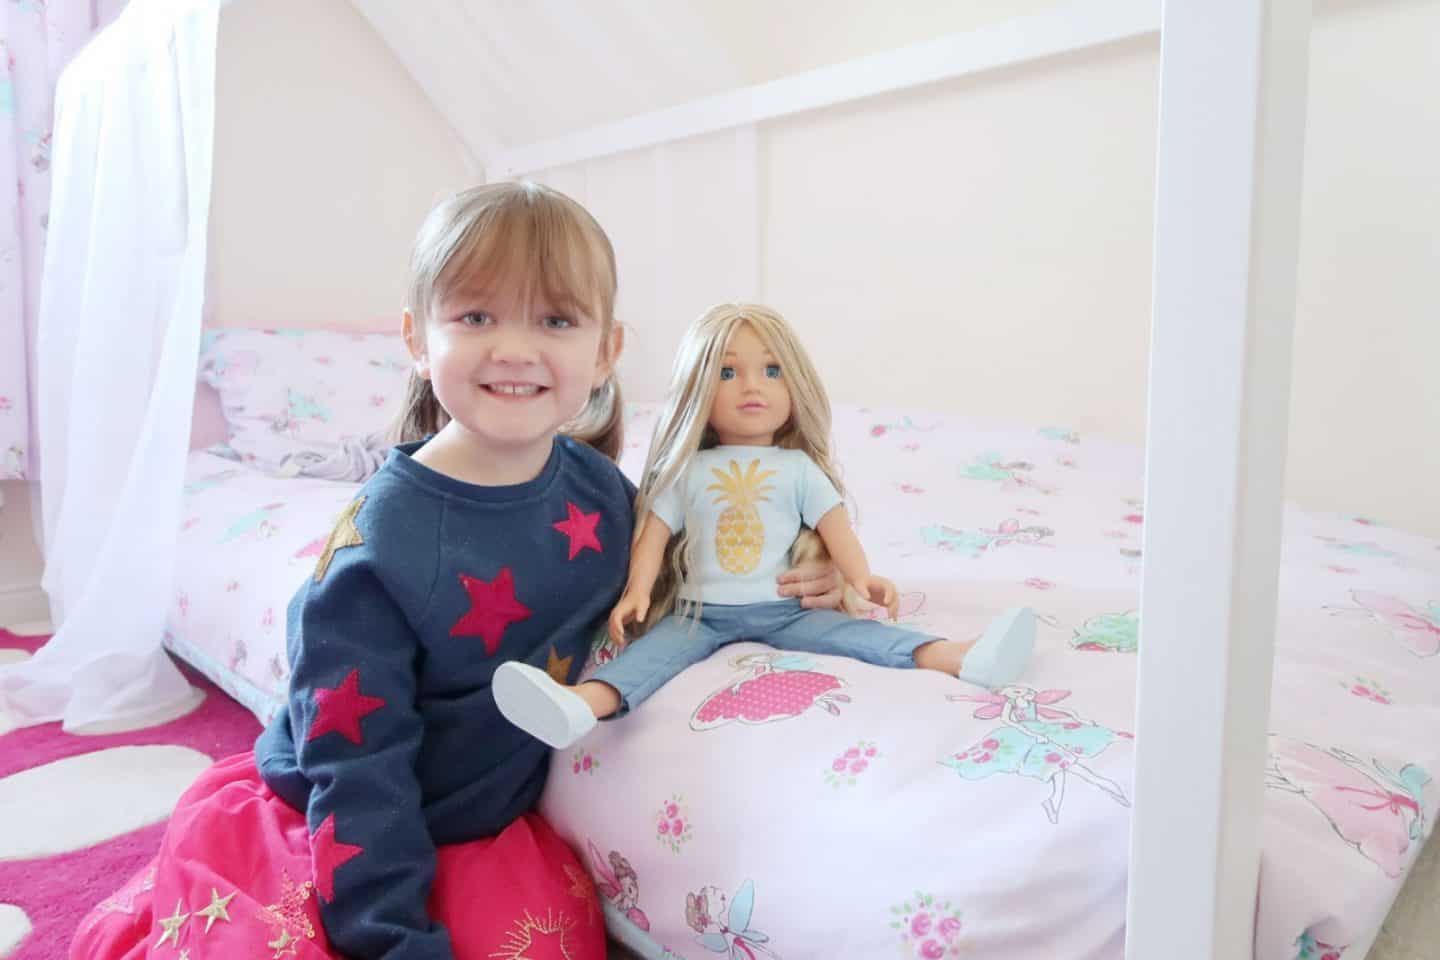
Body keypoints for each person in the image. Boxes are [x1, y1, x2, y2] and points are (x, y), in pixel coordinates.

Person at [71, 187, 843, 960]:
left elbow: (679, 575)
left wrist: (807, 562)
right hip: (344, 830)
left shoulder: (596, 490)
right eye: (476, 317)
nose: (512, 348)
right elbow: (356, 767)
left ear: (606, 351)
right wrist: (390, 934)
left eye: (555, 320)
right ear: (416, 337)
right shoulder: (381, 547)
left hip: (480, 823)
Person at [493, 302, 1036, 750]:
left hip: (783, 608)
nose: (751, 386)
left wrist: (863, 577)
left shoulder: (798, 470)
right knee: (650, 658)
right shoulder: (687, 473)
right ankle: (577, 705)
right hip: (698, 614)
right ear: (696, 391)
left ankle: (961, 656)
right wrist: (637, 592)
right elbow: (655, 534)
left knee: (860, 635)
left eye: (771, 370)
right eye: (727, 372)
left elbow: (836, 525)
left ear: (795, 384)